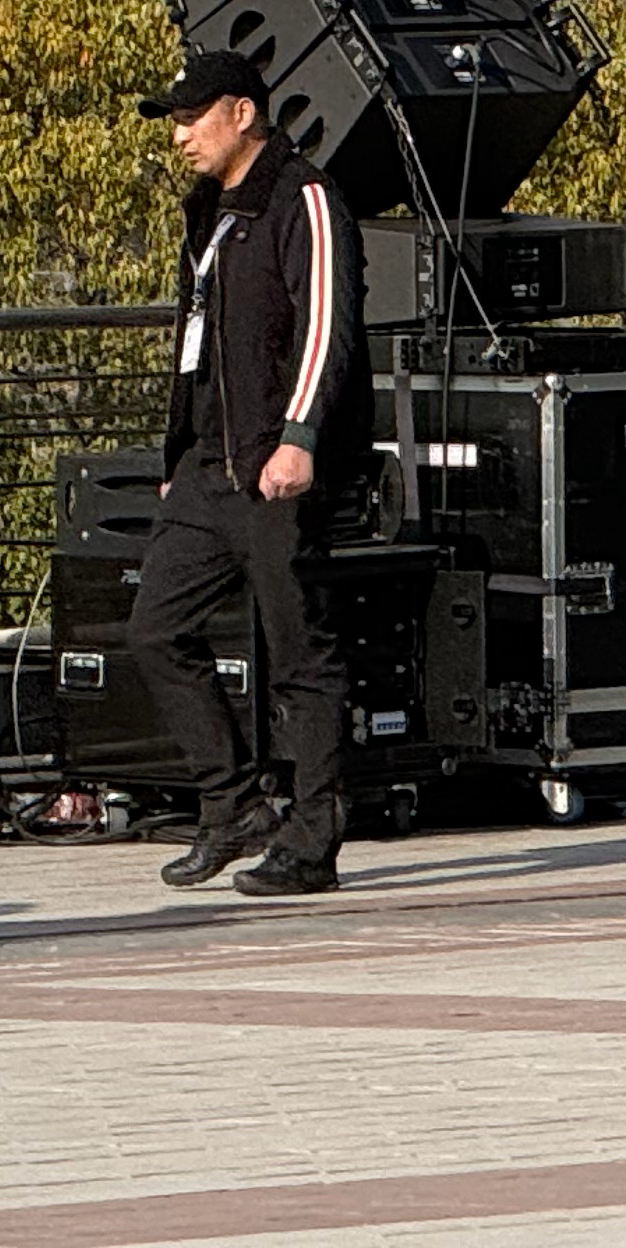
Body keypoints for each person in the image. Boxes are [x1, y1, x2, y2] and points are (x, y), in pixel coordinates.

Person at [126, 47, 371, 898]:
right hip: (207, 468)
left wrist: (299, 437)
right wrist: (176, 454)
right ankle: (232, 804)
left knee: (301, 654)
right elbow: (194, 341)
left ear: (241, 113)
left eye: (192, 118)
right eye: (175, 121)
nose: (181, 136)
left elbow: (327, 326)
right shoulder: (208, 210)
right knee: (154, 630)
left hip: (277, 466)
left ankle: (311, 840)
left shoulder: (303, 197)